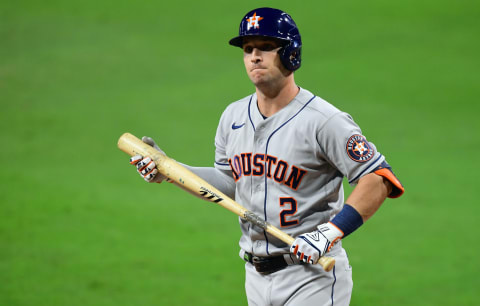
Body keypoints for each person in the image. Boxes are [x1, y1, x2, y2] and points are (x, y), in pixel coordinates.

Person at [129, 7, 404, 305]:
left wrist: (329, 232)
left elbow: (379, 179)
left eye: (266, 48)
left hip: (311, 277)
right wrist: (168, 169)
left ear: (291, 54)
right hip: (255, 277)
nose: (254, 57)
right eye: (248, 50)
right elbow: (229, 183)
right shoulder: (232, 116)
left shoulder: (324, 120)